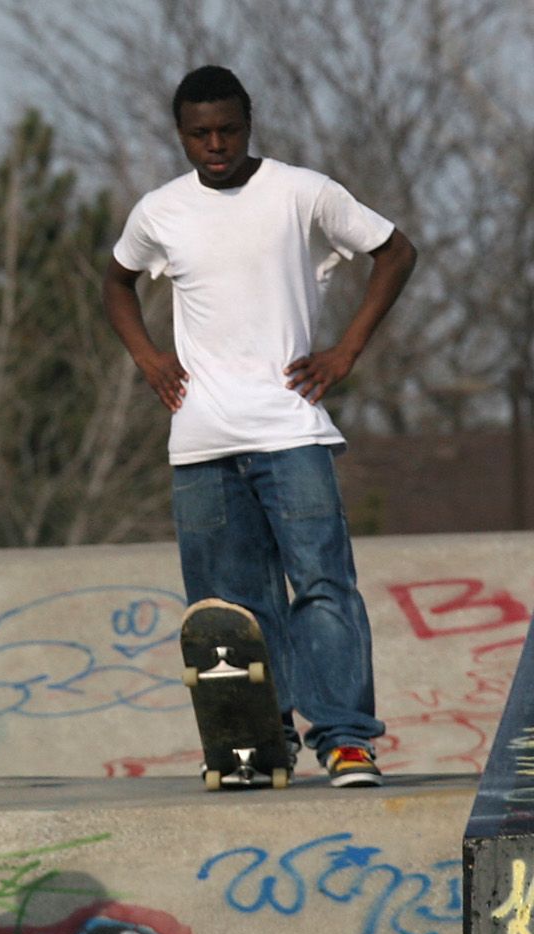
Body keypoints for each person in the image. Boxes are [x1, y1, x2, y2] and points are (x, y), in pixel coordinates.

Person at [103, 64, 417, 787]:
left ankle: (344, 738)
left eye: (228, 130)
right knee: (226, 609)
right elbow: (116, 280)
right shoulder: (161, 211)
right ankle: (256, 740)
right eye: (200, 134)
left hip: (290, 429)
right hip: (202, 438)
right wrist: (150, 359)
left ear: (250, 123)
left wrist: (347, 350)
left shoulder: (301, 191)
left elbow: (395, 251)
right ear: (181, 135)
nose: (216, 145)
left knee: (321, 585)